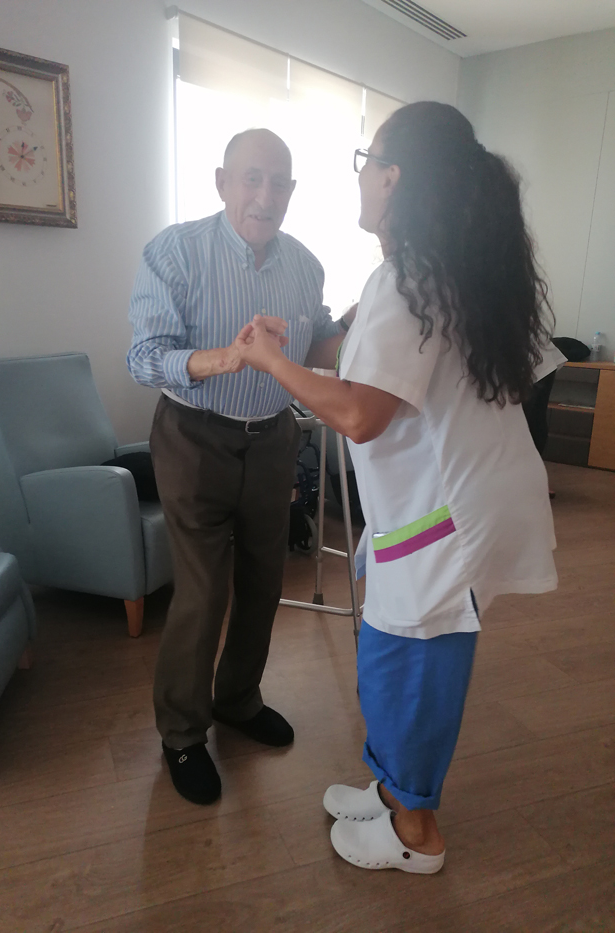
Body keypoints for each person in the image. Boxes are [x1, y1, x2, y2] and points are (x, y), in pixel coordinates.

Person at [236, 102, 559, 873]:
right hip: (452, 504)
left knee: (407, 669)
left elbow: (359, 414)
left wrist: (270, 361)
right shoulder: (451, 270)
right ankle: (390, 791)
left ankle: (415, 831)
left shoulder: (408, 277)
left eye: (367, 160)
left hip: (439, 520)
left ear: (394, 178)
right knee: (395, 661)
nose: (362, 176)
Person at [127, 128, 353, 806]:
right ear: (222, 180)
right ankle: (181, 732)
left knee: (263, 578)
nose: (265, 195)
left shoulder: (306, 265)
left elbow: (315, 340)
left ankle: (237, 698)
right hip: (194, 436)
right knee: (203, 592)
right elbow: (143, 357)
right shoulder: (174, 251)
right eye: (251, 178)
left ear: (292, 191)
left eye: (278, 182)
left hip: (274, 437)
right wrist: (226, 357)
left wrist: (368, 327)